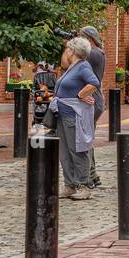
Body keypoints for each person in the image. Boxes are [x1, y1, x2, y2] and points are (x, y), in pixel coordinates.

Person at [53, 35, 99, 201]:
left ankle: (84, 185)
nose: (65, 51)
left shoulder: (82, 67)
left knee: (77, 150)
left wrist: (81, 95)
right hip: (63, 114)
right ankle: (70, 185)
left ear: (72, 51)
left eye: (68, 49)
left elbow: (94, 83)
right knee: (64, 151)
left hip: (74, 116)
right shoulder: (72, 67)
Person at [80, 26, 106, 189]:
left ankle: (88, 175)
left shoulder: (93, 53)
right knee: (86, 138)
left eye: (81, 37)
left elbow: (68, 61)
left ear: (89, 39)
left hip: (90, 99)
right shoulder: (97, 53)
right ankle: (92, 174)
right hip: (94, 99)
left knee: (84, 139)